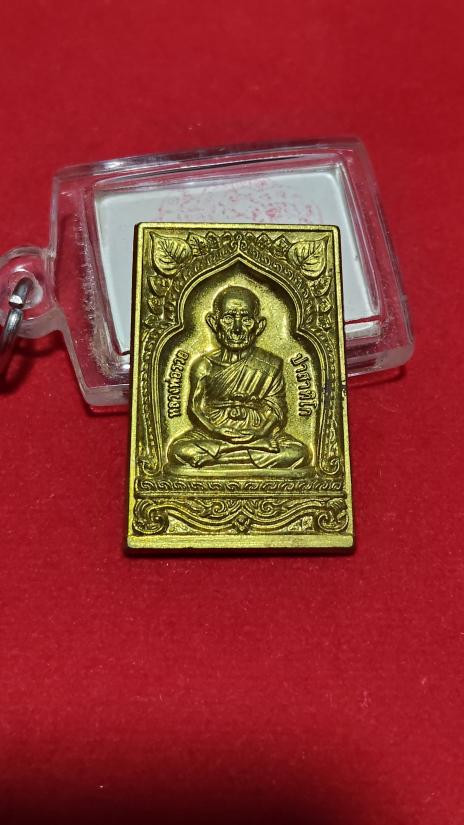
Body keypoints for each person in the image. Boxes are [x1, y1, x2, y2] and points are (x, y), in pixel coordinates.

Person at [168, 284, 309, 470]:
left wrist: (260, 432)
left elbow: (276, 408)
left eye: (246, 320)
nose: (237, 329)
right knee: (178, 451)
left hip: (260, 432)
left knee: (298, 452)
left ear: (259, 325)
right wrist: (214, 430)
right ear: (213, 322)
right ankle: (243, 451)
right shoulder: (203, 365)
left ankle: (222, 457)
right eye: (228, 318)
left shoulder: (271, 364)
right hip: (213, 433)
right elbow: (196, 407)